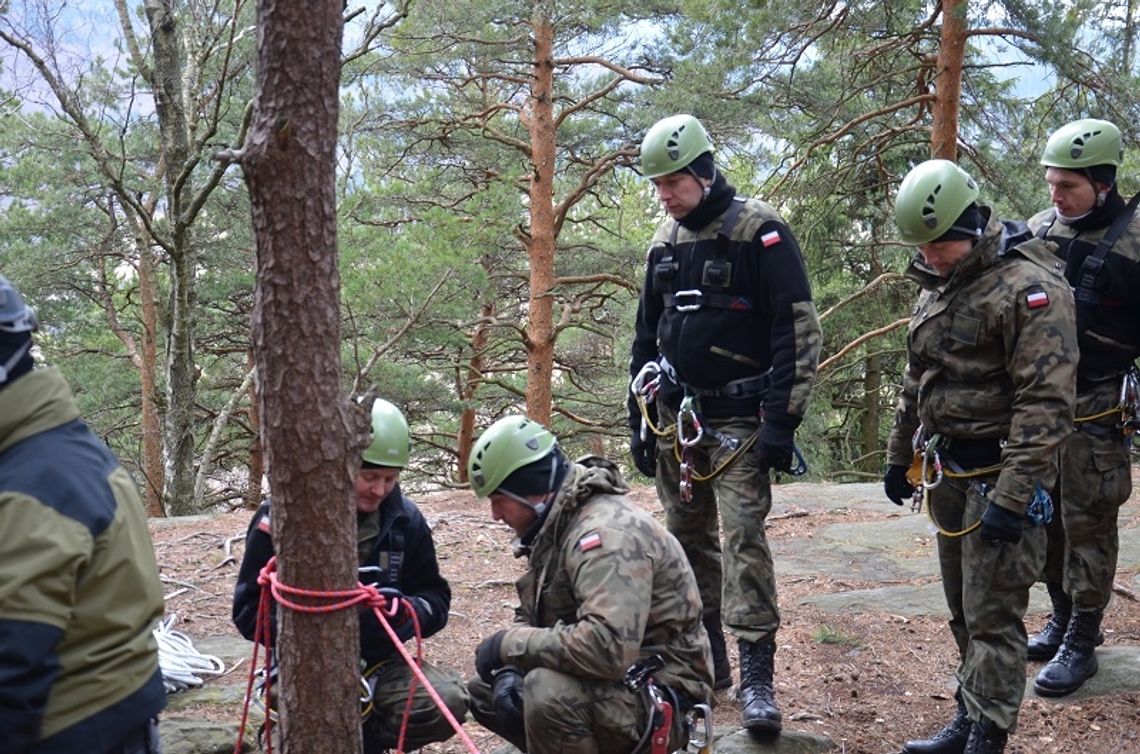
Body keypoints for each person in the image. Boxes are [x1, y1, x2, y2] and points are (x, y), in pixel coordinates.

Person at [627, 112, 822, 731]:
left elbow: (796, 329)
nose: (664, 194)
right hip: (678, 421)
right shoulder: (666, 241)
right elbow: (645, 337)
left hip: (741, 419)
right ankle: (707, 662)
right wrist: (638, 418)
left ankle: (759, 677)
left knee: (743, 543)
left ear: (705, 174)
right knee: (685, 544)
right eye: (657, 185)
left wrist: (780, 424)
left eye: (673, 183)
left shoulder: (760, 232)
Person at [882, 160, 1077, 754]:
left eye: (939, 243)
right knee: (964, 610)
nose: (931, 256)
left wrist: (1015, 497)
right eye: (923, 246)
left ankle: (988, 736)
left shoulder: (1027, 289)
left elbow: (1045, 404)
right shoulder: (942, 280)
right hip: (951, 472)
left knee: (994, 616)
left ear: (969, 223)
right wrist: (899, 454)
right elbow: (921, 374)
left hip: (1001, 476)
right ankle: (969, 716)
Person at [465, 414, 713, 754]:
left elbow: (607, 648)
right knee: (487, 690)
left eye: (498, 499)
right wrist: (511, 666)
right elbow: (536, 614)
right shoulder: (556, 524)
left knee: (547, 693)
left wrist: (511, 645)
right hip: (618, 679)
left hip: (662, 689)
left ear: (529, 490)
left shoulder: (605, 536)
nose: (495, 514)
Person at [232, 398, 468, 752]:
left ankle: (366, 743)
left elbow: (435, 599)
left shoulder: (404, 520)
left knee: (444, 701)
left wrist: (403, 612)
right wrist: (315, 620)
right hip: (305, 666)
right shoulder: (282, 518)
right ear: (342, 466)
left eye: (390, 478)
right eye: (369, 476)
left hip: (380, 663)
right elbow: (248, 612)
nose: (379, 490)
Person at [0, 274, 166, 753]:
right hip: (108, 720)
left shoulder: (33, 489)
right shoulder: (50, 446)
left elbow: (9, 673)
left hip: (69, 729)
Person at [1025, 118, 1140, 698]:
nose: (1054, 195)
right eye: (1050, 183)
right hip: (1041, 412)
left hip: (1097, 411)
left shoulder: (1135, 242)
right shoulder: (1041, 229)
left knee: (1087, 527)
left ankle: (1084, 640)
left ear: (1102, 182)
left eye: (1066, 185)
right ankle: (1060, 616)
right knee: (1044, 523)